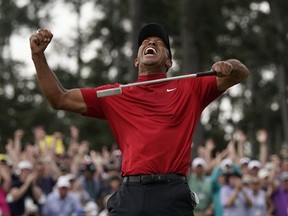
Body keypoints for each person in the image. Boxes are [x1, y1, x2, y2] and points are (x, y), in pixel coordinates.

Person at [29, 23, 249, 215]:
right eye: (145, 41)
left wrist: (229, 65)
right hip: (130, 194)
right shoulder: (115, 94)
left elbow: (241, 73)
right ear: (136, 60)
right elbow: (59, 98)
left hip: (171, 194)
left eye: (158, 42)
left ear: (169, 62)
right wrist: (38, 57)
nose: (150, 43)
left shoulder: (189, 87)